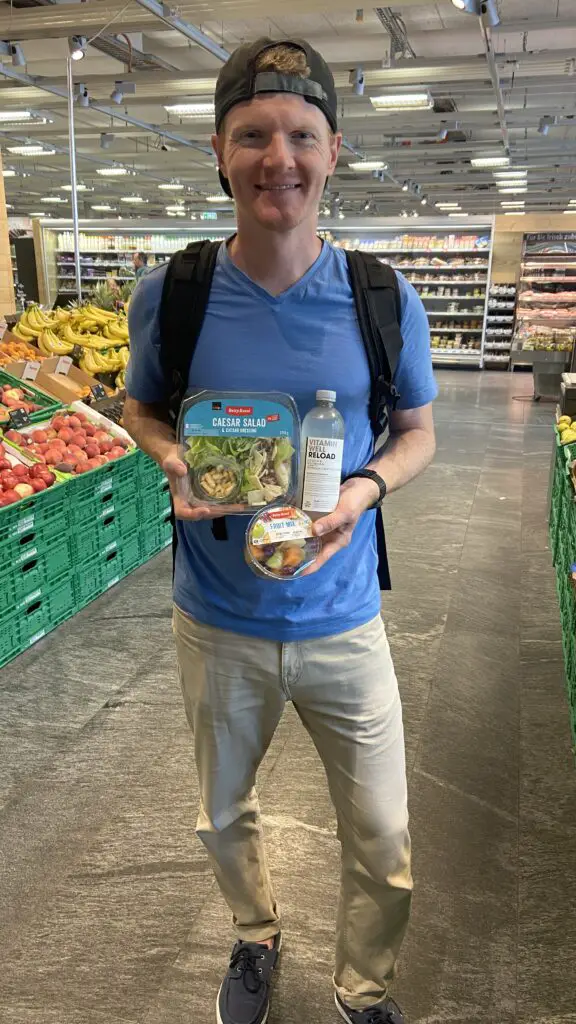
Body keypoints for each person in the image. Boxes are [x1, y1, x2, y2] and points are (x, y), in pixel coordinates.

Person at [124, 37, 437, 1024]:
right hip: (216, 616)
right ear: (221, 150)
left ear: (333, 151)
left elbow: (420, 431)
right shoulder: (170, 293)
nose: (279, 157)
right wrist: (173, 459)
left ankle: (365, 985)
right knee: (224, 813)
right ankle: (256, 937)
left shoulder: (380, 297)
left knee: (384, 832)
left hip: (342, 617)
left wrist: (365, 490)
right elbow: (141, 407)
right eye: (253, 134)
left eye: (301, 133)